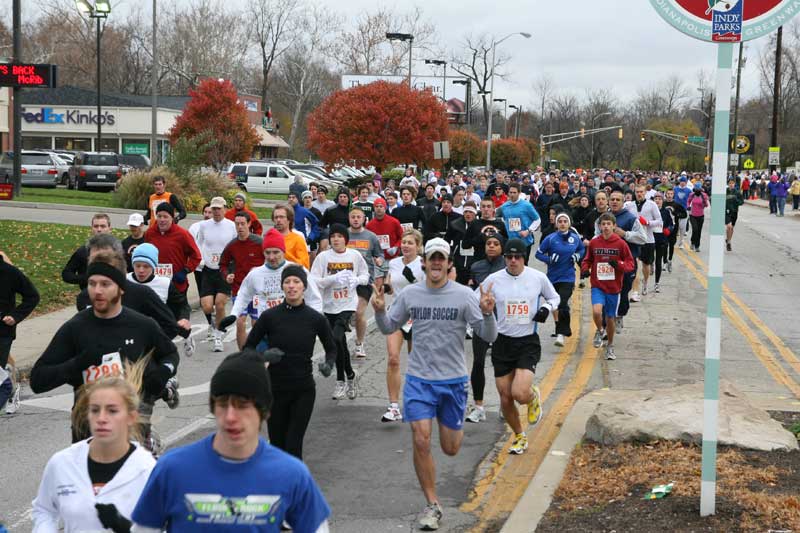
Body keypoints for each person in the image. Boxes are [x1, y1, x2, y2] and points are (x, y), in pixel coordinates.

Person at [371, 237, 497, 531]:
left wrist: (488, 313)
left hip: (452, 381)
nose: (437, 263)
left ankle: (451, 426)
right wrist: (379, 310)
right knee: (421, 438)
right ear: (424, 263)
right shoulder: (411, 294)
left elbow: (488, 336)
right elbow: (390, 326)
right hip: (419, 380)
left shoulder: (464, 295)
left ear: (449, 263)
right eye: (432, 258)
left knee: (451, 448)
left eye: (442, 258)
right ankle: (432, 504)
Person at [130, 350, 331, 532]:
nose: (231, 416)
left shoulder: (292, 475)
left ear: (265, 411)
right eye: (223, 404)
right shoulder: (171, 469)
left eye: (243, 405)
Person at [31, 250, 180, 445]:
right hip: (88, 426)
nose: (97, 291)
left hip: (131, 424)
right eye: (92, 284)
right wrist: (77, 364)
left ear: (121, 289)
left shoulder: (142, 325)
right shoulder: (76, 327)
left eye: (105, 284)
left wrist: (161, 373)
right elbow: (38, 380)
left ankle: (148, 442)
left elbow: (170, 353)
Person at [32, 376, 156, 533]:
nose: (101, 419)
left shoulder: (148, 471)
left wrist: (125, 528)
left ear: (131, 417)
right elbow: (44, 510)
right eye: (95, 410)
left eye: (112, 411)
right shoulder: (62, 463)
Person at [243, 266, 337, 460]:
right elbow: (248, 348)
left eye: (296, 282)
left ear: (304, 287)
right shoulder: (269, 317)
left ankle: (295, 486)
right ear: (282, 286)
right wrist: (264, 356)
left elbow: (331, 348)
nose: (291, 286)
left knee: (293, 443)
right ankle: (280, 485)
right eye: (287, 282)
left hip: (303, 389)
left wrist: (329, 365)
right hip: (275, 389)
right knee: (278, 444)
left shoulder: (316, 319)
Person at [484, 238, 560, 454]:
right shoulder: (493, 280)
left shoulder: (537, 277)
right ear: (504, 258)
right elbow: (476, 303)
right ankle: (519, 435)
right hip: (502, 342)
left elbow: (554, 297)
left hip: (527, 341)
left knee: (519, 392)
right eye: (509, 257)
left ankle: (532, 397)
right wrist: (484, 307)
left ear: (524, 258)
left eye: (517, 257)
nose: (513, 261)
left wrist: (545, 308)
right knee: (505, 396)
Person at [75, 235, 182, 341]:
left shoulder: (142, 293)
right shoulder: (83, 298)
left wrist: (145, 350)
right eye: (95, 259)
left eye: (105, 259)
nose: (100, 264)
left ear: (118, 259)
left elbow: (170, 327)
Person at [310, 224, 369, 400]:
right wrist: (332, 278)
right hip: (329, 305)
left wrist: (356, 280)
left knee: (335, 338)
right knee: (339, 342)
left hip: (347, 304)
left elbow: (365, 276)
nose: (335, 239)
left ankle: (340, 380)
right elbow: (314, 281)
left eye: (339, 236)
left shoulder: (355, 255)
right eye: (332, 236)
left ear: (345, 239)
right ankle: (350, 375)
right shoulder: (323, 257)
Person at [380, 229, 425, 423]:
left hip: (418, 315)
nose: (405, 245)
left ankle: (416, 402)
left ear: (418, 246)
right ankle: (393, 406)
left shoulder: (423, 264)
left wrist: (411, 278)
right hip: (397, 312)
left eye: (410, 243)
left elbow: (430, 287)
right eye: (404, 242)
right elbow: (390, 284)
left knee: (416, 362)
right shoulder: (394, 262)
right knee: (393, 358)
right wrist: (387, 288)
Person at [581, 212, 635, 361]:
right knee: (597, 311)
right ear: (599, 226)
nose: (605, 227)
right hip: (598, 284)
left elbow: (631, 264)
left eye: (608, 224)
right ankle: (600, 330)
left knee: (610, 317)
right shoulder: (594, 243)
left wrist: (619, 264)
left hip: (613, 287)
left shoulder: (620, 244)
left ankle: (610, 346)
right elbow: (588, 259)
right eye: (603, 224)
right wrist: (585, 269)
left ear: (614, 226)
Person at [128, 243, 194, 363]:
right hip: (132, 329)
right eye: (137, 266)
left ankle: (186, 336)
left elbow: (182, 304)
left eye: (146, 266)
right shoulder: (125, 281)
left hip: (158, 329)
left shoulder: (164, 283)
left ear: (153, 267)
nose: (141, 270)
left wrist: (184, 318)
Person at [465, 232, 505, 424]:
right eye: (488, 243)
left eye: (496, 243)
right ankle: (479, 406)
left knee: (502, 366)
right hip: (481, 322)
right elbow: (471, 293)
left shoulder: (508, 266)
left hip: (503, 323)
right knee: (478, 363)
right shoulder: (476, 266)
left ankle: (505, 405)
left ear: (501, 247)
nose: (491, 246)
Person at [535, 212, 585, 347]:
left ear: (569, 224)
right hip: (552, 277)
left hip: (568, 277)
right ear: (556, 224)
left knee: (562, 302)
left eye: (565, 221)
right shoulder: (550, 239)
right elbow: (538, 254)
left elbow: (582, 249)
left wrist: (577, 256)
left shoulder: (575, 238)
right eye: (560, 221)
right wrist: (549, 259)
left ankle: (561, 333)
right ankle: (564, 329)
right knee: (556, 305)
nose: (562, 223)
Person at [195, 197, 238, 352]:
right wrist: (200, 260)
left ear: (225, 209)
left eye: (219, 208)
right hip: (208, 269)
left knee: (219, 304)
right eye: (214, 209)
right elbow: (199, 244)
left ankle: (218, 336)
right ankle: (215, 326)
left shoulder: (231, 226)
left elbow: (236, 246)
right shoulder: (204, 226)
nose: (216, 212)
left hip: (224, 269)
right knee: (206, 306)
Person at [0, 251, 39, 414]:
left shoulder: (9, 272)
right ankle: (8, 388)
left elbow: (32, 296)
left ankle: (9, 390)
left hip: (2, 331)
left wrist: (15, 316)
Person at [144, 202, 202, 312]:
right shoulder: (150, 233)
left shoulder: (182, 234)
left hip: (176, 285)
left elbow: (196, 256)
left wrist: (185, 271)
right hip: (155, 283)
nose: (162, 220)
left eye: (165, 216)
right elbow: (145, 254)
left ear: (172, 217)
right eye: (159, 216)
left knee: (177, 320)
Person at [219, 212, 265, 349]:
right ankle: (243, 355)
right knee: (240, 322)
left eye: (242, 224)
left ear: (249, 224)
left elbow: (271, 260)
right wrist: (227, 275)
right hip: (239, 289)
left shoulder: (259, 243)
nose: (240, 227)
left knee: (257, 323)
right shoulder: (232, 245)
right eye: (237, 224)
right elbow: (223, 264)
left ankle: (257, 352)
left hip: (258, 291)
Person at [347, 207, 385, 359]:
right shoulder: (343, 235)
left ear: (364, 219)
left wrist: (379, 259)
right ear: (349, 219)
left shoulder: (371, 237)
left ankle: (359, 344)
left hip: (365, 281)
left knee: (359, 311)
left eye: (358, 217)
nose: (356, 219)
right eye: (353, 217)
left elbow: (379, 254)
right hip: (346, 281)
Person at [62, 213, 113, 290]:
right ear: (92, 228)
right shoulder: (83, 252)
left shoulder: (118, 251)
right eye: (96, 226)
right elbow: (66, 274)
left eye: (103, 226)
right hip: (88, 297)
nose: (99, 229)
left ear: (109, 229)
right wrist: (87, 278)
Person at [498, 183, 541, 264]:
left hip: (524, 240)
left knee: (523, 265)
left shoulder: (526, 205)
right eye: (510, 192)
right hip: (510, 241)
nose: (512, 195)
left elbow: (537, 220)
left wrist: (528, 231)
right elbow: (503, 219)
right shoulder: (504, 206)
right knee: (511, 264)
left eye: (514, 192)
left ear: (519, 193)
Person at [632, 184, 663, 296]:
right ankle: (635, 288)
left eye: (641, 192)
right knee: (634, 264)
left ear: (645, 193)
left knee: (646, 265)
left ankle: (645, 283)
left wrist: (648, 223)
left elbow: (659, 221)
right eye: (637, 192)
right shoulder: (630, 205)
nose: (639, 194)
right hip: (634, 239)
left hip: (648, 240)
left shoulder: (652, 205)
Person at [188, 203, 213, 335]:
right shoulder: (195, 227)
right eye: (206, 212)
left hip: (214, 269)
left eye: (210, 212)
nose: (207, 215)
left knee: (214, 299)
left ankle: (217, 323)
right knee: (204, 299)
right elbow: (190, 246)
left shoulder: (218, 227)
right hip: (199, 268)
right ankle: (211, 324)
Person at [272, 204, 311, 268]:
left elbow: (305, 265)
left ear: (289, 219)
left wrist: (282, 253)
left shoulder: (298, 239)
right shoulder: (269, 238)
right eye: (276, 217)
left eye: (281, 217)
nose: (278, 220)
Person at [652, 193, 674, 293]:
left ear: (662, 201)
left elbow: (671, 224)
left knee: (658, 261)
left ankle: (657, 283)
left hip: (661, 239)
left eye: (659, 199)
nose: (657, 200)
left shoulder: (665, 212)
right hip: (650, 239)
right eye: (656, 199)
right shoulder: (650, 211)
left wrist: (668, 230)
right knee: (649, 260)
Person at [662, 189, 686, 271]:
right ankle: (664, 262)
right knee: (664, 245)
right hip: (664, 227)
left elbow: (685, 214)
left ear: (673, 195)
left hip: (674, 227)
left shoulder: (677, 205)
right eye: (668, 193)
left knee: (671, 245)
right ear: (665, 194)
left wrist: (678, 215)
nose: (669, 195)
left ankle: (670, 260)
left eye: (671, 194)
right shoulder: (663, 203)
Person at [687, 183, 709, 252]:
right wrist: (688, 206)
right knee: (695, 229)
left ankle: (697, 246)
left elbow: (706, 205)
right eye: (696, 189)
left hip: (701, 216)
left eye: (699, 189)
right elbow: (688, 201)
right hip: (692, 215)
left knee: (699, 231)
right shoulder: (692, 195)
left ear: (701, 189)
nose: (697, 190)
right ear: (694, 189)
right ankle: (692, 242)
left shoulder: (704, 195)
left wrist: (705, 202)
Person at [672, 177, 692, 249]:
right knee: (675, 227)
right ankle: (673, 242)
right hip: (676, 210)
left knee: (682, 227)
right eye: (681, 181)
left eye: (684, 181)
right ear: (679, 182)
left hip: (684, 210)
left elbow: (691, 200)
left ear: (686, 182)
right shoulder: (675, 189)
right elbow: (672, 197)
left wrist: (690, 206)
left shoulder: (689, 190)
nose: (683, 183)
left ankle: (681, 242)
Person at [725, 178, 744, 251]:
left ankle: (728, 240)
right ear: (728, 184)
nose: (731, 184)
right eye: (730, 183)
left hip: (734, 211)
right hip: (727, 211)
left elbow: (741, 202)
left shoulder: (737, 192)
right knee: (729, 226)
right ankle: (729, 242)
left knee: (731, 228)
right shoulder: (725, 191)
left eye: (732, 183)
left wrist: (736, 199)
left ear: (734, 184)